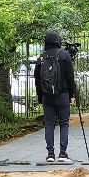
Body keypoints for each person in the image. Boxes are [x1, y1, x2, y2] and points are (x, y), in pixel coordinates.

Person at [33, 30, 80, 164]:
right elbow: (70, 77)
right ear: (58, 41)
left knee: (49, 124)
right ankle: (63, 153)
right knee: (64, 123)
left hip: (47, 96)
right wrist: (72, 95)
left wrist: (40, 97)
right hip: (63, 95)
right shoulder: (64, 55)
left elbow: (37, 79)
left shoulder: (41, 58)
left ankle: (50, 154)